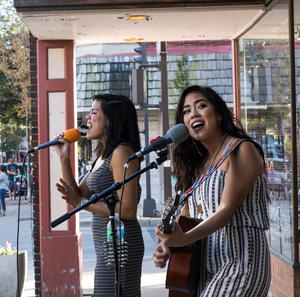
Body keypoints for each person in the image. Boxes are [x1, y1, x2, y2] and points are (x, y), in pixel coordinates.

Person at [153, 85, 270, 297]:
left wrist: (184, 238)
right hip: (204, 266)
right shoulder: (198, 167)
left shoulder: (241, 149)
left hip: (242, 262)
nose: (193, 114)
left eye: (201, 106)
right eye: (187, 111)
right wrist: (168, 244)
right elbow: (186, 218)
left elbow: (226, 210)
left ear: (217, 114)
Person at [54, 93, 144, 297]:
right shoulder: (103, 156)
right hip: (106, 244)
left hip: (122, 243)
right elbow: (78, 194)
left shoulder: (122, 153)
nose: (87, 117)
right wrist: (64, 158)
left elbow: (128, 210)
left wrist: (81, 203)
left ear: (111, 120)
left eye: (94, 112)